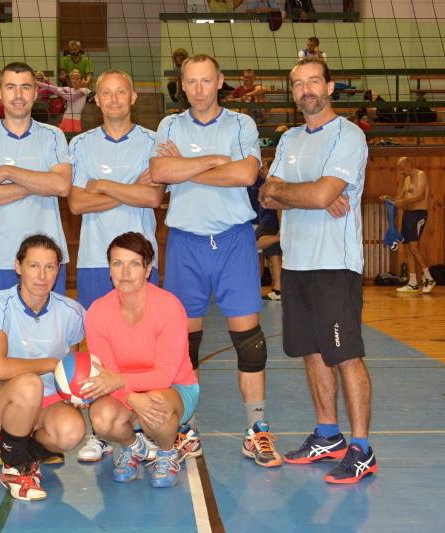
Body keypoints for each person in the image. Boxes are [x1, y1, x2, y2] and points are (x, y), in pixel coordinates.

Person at [150, 53, 282, 467]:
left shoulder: (241, 124)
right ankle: (185, 429)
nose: (199, 89)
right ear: (182, 84)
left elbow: (246, 175)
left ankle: (256, 430)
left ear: (220, 81)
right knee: (185, 346)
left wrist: (184, 167)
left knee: (250, 343)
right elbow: (159, 172)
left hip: (233, 241)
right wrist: (214, 161)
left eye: (206, 81)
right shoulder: (169, 125)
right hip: (186, 242)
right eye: (191, 81)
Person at [258, 57, 378, 484]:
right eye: (298, 84)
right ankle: (328, 435)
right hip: (296, 262)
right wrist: (307, 194)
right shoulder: (289, 139)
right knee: (311, 351)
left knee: (345, 355)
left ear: (329, 87)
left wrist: (303, 192)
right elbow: (267, 195)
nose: (306, 89)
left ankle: (361, 448)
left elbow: (321, 192)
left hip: (333, 264)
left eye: (313, 81)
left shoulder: (349, 135)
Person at [67, 70, 163, 463]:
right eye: (105, 93)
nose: (113, 99)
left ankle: (142, 425)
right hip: (95, 259)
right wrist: (130, 189)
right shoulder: (80, 144)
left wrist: (102, 185)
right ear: (97, 100)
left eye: (120, 91)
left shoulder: (154, 141)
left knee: (142, 348)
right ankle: (102, 431)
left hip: (141, 262)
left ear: (133, 96)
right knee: (99, 351)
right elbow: (77, 203)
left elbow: (153, 198)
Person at [0, 234, 86, 501]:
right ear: (18, 266)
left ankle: (23, 451)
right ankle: (15, 466)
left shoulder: (72, 312)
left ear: (58, 270)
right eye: (34, 266)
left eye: (49, 267)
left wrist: (77, 394)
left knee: (71, 431)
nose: (42, 275)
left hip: (48, 401)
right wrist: (48, 364)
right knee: (29, 383)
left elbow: (69, 371)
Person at [85, 232, 199, 488]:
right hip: (123, 390)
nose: (125, 272)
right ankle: (134, 448)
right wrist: (132, 397)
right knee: (101, 417)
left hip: (175, 388)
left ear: (148, 270)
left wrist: (125, 387)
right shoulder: (97, 313)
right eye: (117, 263)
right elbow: (106, 374)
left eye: (134, 264)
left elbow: (164, 375)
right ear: (109, 269)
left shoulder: (169, 307)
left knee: (155, 403)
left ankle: (167, 453)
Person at [0, 62, 71, 302]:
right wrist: (38, 183)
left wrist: (8, 171)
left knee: (50, 327)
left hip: (47, 260)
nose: (18, 95)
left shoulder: (53, 135)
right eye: (10, 87)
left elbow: (61, 186)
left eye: (25, 87)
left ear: (35, 93)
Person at [391, 157, 435, 294]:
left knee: (414, 247)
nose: (401, 172)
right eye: (400, 169)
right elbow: (400, 197)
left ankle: (429, 278)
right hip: (408, 214)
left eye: (402, 168)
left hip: (418, 214)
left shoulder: (421, 175)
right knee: (407, 248)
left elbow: (421, 196)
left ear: (409, 164)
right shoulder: (406, 180)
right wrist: (390, 200)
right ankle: (413, 282)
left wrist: (402, 202)